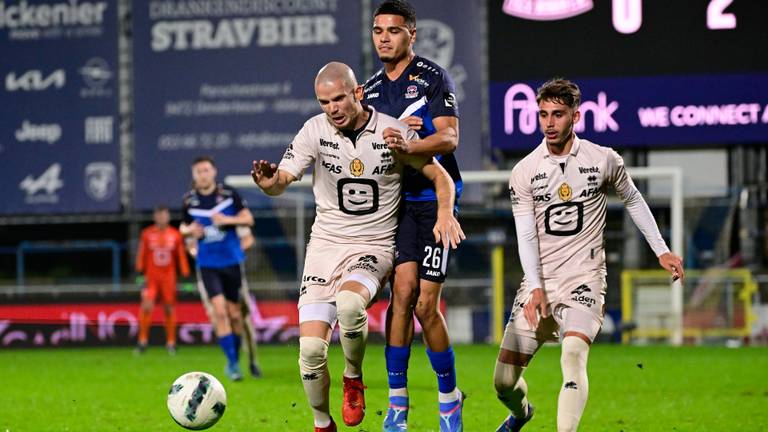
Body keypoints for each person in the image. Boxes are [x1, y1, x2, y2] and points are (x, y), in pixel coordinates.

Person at [251, 62, 464, 432]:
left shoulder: (390, 131)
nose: (332, 108)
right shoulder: (314, 131)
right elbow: (281, 180)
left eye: (338, 99)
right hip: (325, 246)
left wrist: (445, 212)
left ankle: (353, 379)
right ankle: (323, 423)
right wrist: (269, 182)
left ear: (357, 93)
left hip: (373, 245)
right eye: (323, 102)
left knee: (350, 305)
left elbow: (439, 175)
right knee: (311, 353)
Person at [495, 78, 685, 432]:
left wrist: (661, 249)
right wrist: (535, 285)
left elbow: (632, 198)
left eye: (558, 115)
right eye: (543, 115)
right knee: (503, 383)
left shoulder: (603, 159)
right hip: (540, 282)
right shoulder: (525, 170)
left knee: (573, 354)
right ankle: (521, 414)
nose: (549, 123)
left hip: (585, 279)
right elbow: (525, 234)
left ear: (576, 117)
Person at [364, 1, 464, 430]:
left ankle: (449, 399)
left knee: (426, 304)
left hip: (435, 203)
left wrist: (410, 146)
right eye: (378, 30)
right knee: (400, 297)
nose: (384, 37)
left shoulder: (431, 77)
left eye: (394, 30)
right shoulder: (366, 90)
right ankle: (398, 406)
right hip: (396, 205)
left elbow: (449, 137)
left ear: (412, 35)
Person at [180, 156, 255, 381]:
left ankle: (238, 354)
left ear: (214, 172)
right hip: (208, 264)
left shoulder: (228, 194)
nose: (202, 174)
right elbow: (184, 227)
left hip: (231, 261)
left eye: (206, 170)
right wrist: (190, 230)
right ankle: (232, 364)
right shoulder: (189, 200)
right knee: (220, 311)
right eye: (198, 171)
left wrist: (226, 220)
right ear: (194, 176)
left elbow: (248, 219)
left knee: (235, 315)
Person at [188, 225, 262, 377]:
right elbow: (191, 246)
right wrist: (205, 253)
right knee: (218, 315)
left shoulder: (230, 212)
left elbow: (248, 238)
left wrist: (230, 252)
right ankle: (232, 363)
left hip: (233, 273)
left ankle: (252, 360)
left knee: (241, 318)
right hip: (208, 274)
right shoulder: (195, 213)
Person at [135, 206, 190, 355]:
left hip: (169, 278)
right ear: (155, 217)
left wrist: (185, 274)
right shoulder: (147, 234)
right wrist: (139, 273)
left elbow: (180, 256)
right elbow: (142, 254)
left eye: (164, 215)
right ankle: (142, 341)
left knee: (169, 308)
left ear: (168, 217)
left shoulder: (175, 234)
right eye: (159, 215)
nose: (161, 218)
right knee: (146, 306)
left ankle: (171, 343)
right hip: (151, 278)